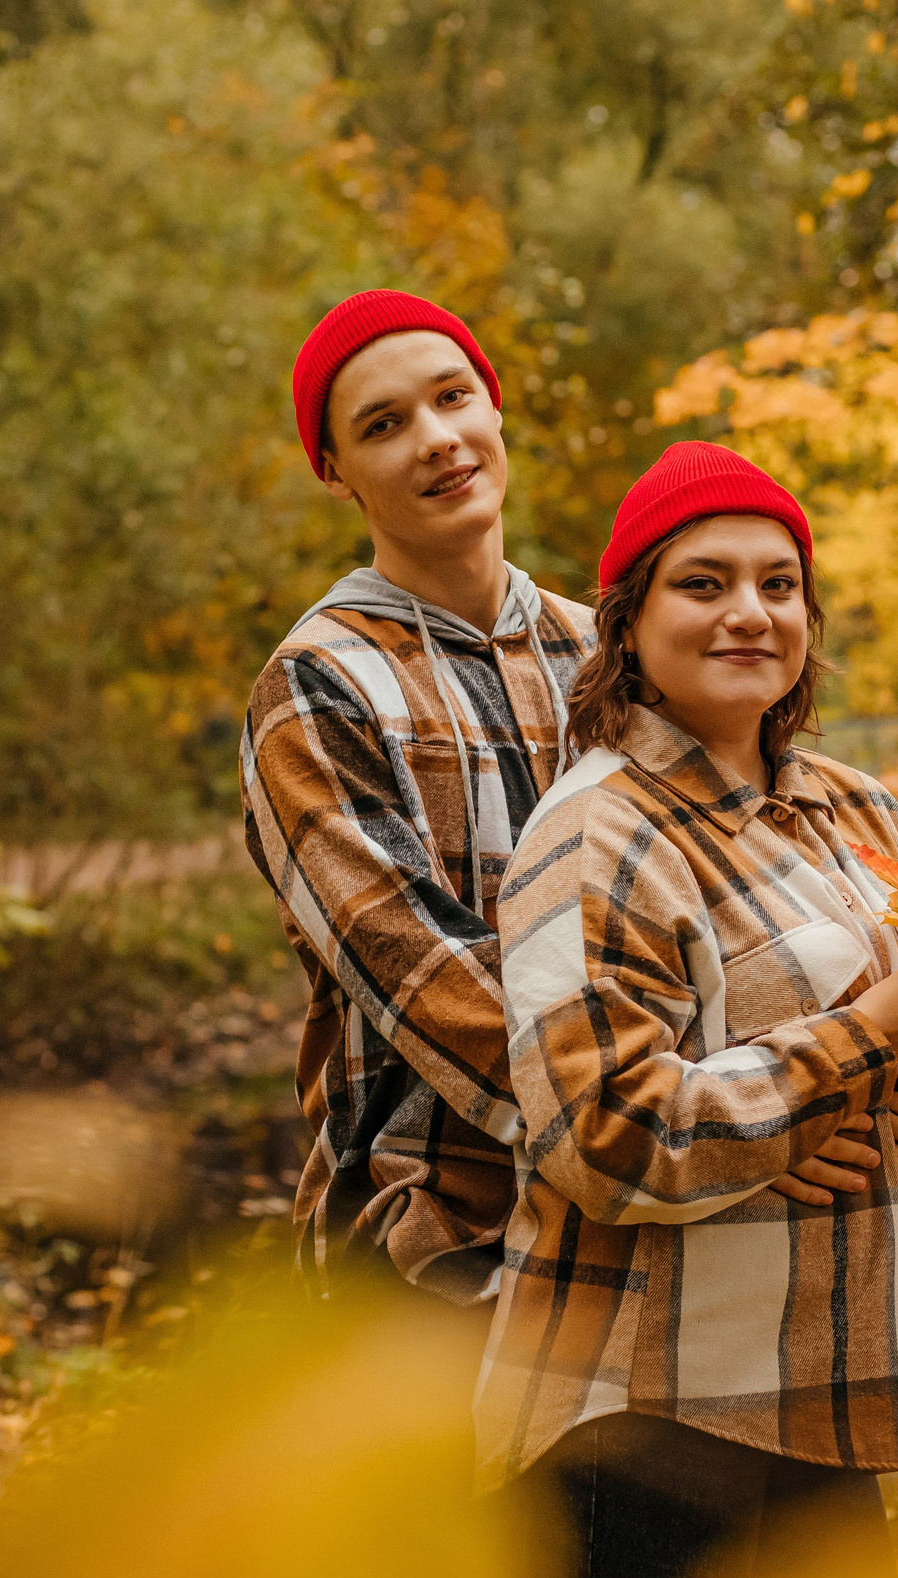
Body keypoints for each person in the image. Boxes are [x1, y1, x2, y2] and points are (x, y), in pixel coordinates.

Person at [474, 442, 898, 1578]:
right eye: (703, 583)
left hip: (825, 1386)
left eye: (779, 585)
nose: (748, 613)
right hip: (644, 1414)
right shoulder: (590, 836)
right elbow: (604, 1139)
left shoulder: (856, 809)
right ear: (628, 622)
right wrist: (865, 1040)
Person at [241, 288, 598, 1304]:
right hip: (431, 1248)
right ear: (334, 471)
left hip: (648, 1242)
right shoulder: (317, 685)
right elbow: (422, 980)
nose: (436, 440)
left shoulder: (613, 654)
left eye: (451, 399)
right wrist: (670, 1128)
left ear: (493, 407)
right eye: (383, 425)